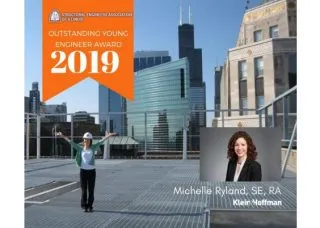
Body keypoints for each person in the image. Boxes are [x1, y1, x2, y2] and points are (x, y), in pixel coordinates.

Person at [56, 131, 117, 212]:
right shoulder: (80, 148)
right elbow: (71, 142)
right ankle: (84, 206)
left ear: (90, 140)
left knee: (91, 190)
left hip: (92, 172)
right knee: (84, 190)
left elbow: (102, 140)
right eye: (85, 139)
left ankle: (90, 206)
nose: (86, 141)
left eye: (88, 139)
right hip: (83, 172)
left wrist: (109, 135)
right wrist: (62, 135)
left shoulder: (93, 147)